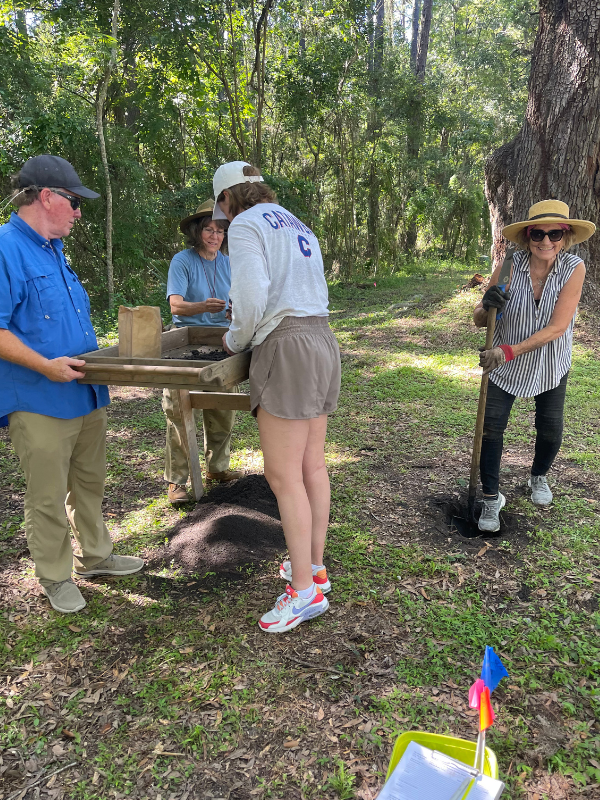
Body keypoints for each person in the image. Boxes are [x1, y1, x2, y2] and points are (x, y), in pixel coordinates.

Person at [0, 155, 144, 613]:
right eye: (75, 202)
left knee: (89, 483)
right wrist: (45, 366)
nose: (79, 212)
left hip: (85, 391)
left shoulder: (54, 250)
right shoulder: (5, 248)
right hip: (39, 397)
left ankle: (96, 556)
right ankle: (55, 576)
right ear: (47, 197)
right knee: (46, 495)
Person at [214, 161, 341, 633]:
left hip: (286, 345)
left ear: (228, 199)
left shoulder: (245, 224)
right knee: (312, 467)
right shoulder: (295, 222)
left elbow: (250, 296)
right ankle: (314, 568)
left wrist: (234, 339)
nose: (223, 219)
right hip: (321, 339)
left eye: (221, 209)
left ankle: (303, 592)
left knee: (283, 475)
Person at [474, 200, 595, 533]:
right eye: (538, 234)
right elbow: (479, 318)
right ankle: (491, 496)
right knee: (490, 428)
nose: (546, 241)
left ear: (565, 236)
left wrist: (508, 351)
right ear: (527, 237)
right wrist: (486, 305)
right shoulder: (509, 266)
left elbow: (558, 328)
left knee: (551, 427)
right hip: (503, 365)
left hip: (549, 361)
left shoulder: (574, 268)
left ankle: (538, 476)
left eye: (555, 233)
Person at [162, 198, 243, 505]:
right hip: (185, 342)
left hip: (222, 341)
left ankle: (217, 469)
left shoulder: (229, 262)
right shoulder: (182, 260)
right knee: (178, 411)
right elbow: (176, 305)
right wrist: (202, 307)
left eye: (220, 230)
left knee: (223, 407)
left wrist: (234, 311)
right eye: (209, 229)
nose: (215, 236)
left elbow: (240, 300)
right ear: (197, 232)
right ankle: (177, 481)